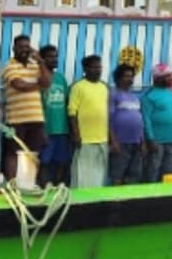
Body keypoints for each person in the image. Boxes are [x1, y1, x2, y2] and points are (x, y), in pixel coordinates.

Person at [2, 34, 52, 185]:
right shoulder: (10, 66)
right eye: (21, 47)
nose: (25, 50)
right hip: (16, 118)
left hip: (35, 117)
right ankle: (12, 184)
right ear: (14, 48)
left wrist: (41, 61)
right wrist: (38, 86)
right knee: (13, 152)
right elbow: (19, 85)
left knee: (32, 153)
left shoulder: (35, 65)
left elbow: (47, 82)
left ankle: (27, 184)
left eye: (27, 47)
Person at [68, 55, 109, 189]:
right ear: (85, 69)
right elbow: (72, 112)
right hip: (84, 139)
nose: (98, 70)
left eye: (100, 67)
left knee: (99, 175)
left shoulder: (104, 87)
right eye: (94, 67)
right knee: (82, 175)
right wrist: (76, 134)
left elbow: (107, 113)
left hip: (102, 138)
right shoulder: (78, 87)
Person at [38, 45, 71, 185]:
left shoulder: (61, 78)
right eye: (50, 56)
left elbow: (67, 103)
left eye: (56, 56)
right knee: (44, 161)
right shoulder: (39, 78)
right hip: (47, 130)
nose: (54, 59)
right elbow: (37, 105)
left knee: (61, 161)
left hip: (62, 130)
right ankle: (43, 188)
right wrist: (41, 129)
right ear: (42, 59)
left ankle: (58, 189)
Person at [141, 63, 172, 182]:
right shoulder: (149, 96)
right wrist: (150, 139)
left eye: (171, 75)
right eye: (167, 76)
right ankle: (150, 197)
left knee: (169, 172)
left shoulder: (170, 93)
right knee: (153, 170)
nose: (171, 78)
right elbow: (145, 119)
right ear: (157, 78)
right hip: (157, 141)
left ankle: (167, 198)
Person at [108, 63, 144, 185]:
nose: (130, 79)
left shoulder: (135, 97)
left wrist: (142, 141)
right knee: (117, 174)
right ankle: (116, 202)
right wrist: (113, 141)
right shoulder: (113, 94)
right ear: (118, 78)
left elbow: (139, 120)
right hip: (121, 142)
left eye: (132, 76)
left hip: (136, 142)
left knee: (134, 174)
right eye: (126, 76)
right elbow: (109, 120)